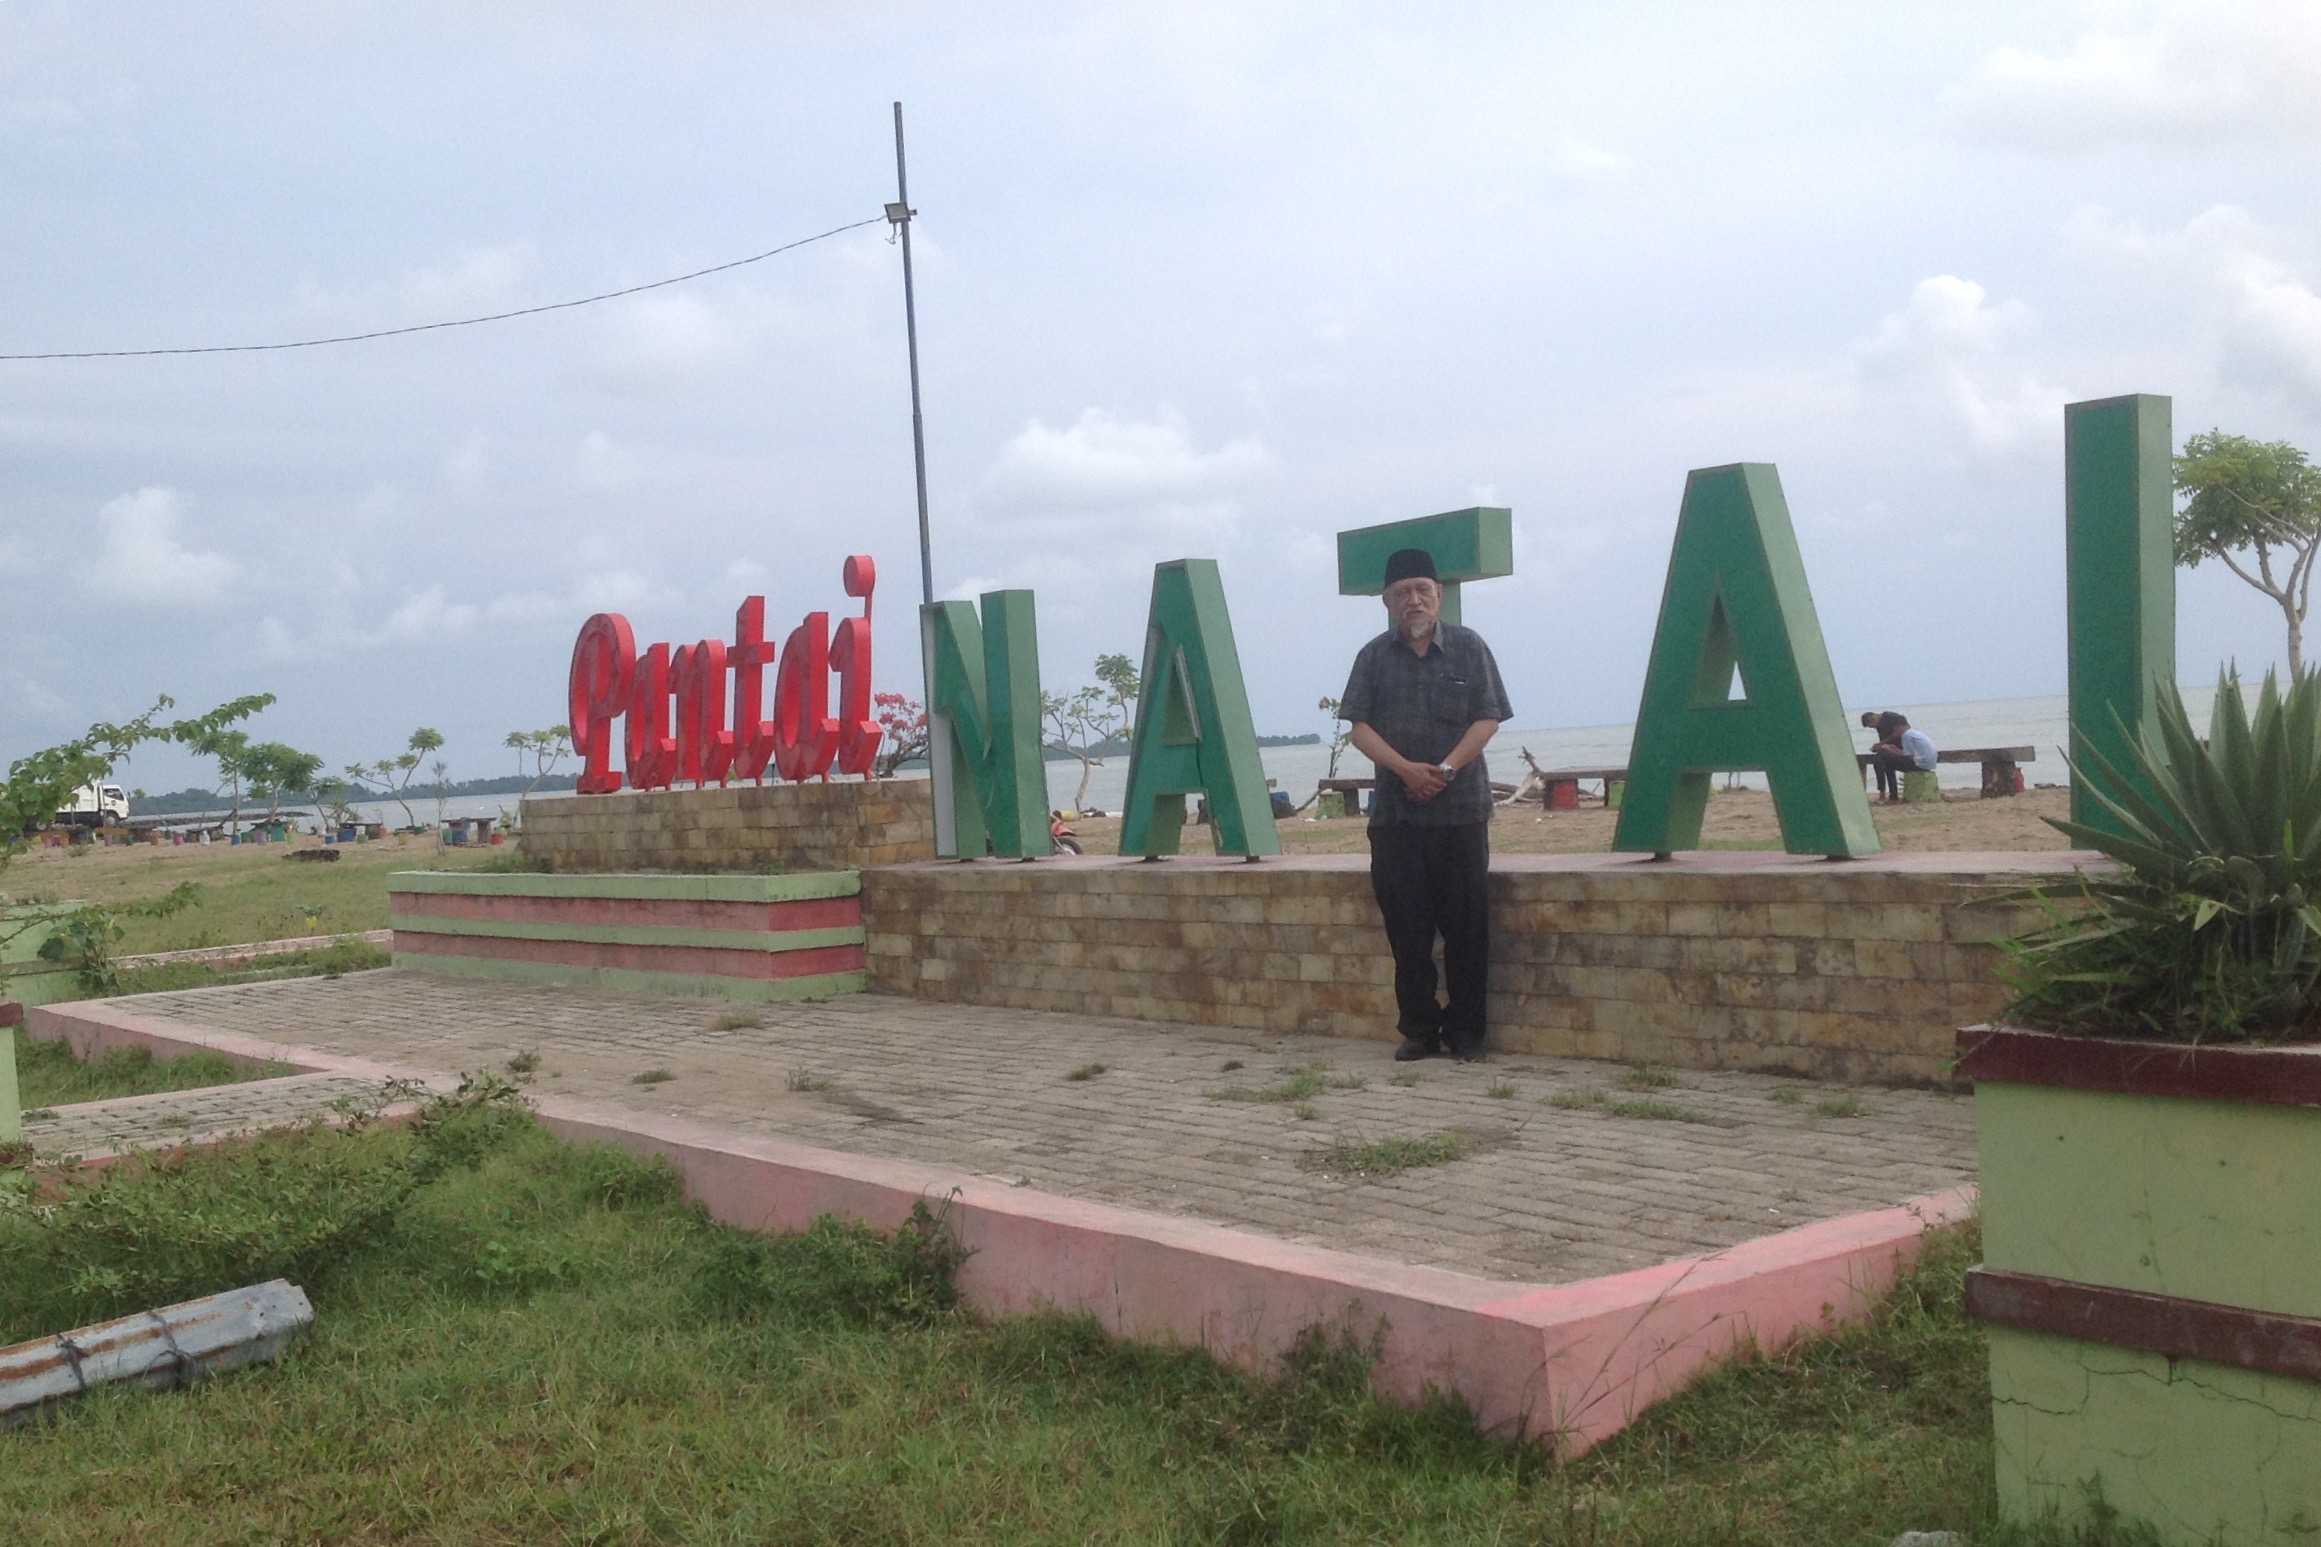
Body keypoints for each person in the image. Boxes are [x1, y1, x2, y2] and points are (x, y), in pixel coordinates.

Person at [1338, 548, 1513, 1062]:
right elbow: (1359, 729)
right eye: (1402, 593)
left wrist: (1446, 770)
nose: (1413, 601)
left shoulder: (1469, 648)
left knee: (1466, 929)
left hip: (1460, 815)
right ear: (1387, 602)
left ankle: (1467, 1033)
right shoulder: (1372, 657)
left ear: (1437, 596)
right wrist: (1406, 770)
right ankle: (1418, 1029)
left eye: (1423, 591)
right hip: (1397, 818)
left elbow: (1488, 717)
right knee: (1408, 931)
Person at [1869, 713, 1937, 802]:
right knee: (1887, 760)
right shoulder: (1914, 733)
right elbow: (1910, 753)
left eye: (1896, 729)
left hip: (1921, 765)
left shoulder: (1906, 736)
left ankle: (1893, 796)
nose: (1894, 732)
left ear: (1900, 727)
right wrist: (1894, 748)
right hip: (1929, 763)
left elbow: (1907, 756)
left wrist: (1889, 749)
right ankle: (1892, 795)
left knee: (1887, 764)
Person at [1861, 711, 1901, 801]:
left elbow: (1897, 734)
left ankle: (1890, 794)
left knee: (1883, 762)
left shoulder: (1889, 717)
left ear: (1873, 719)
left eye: (1871, 725)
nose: (1873, 728)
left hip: (1900, 747)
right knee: (1879, 762)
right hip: (1889, 749)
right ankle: (1883, 791)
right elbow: (1884, 741)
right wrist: (1879, 747)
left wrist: (1881, 744)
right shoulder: (1879, 726)